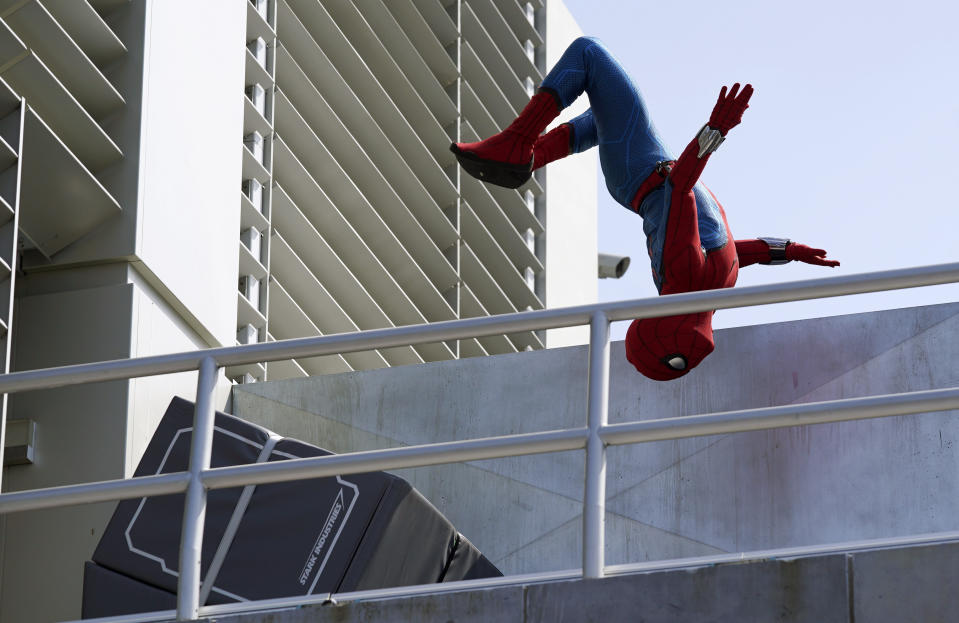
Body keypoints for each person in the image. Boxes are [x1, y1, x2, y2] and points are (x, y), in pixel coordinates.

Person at [451, 37, 839, 381]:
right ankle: (527, 159)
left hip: (638, 168)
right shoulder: (712, 290)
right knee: (601, 116)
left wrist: (716, 130)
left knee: (589, 55)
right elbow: (734, 254)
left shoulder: (684, 275)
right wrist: (787, 250)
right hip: (641, 171)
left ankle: (518, 144)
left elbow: (680, 185)